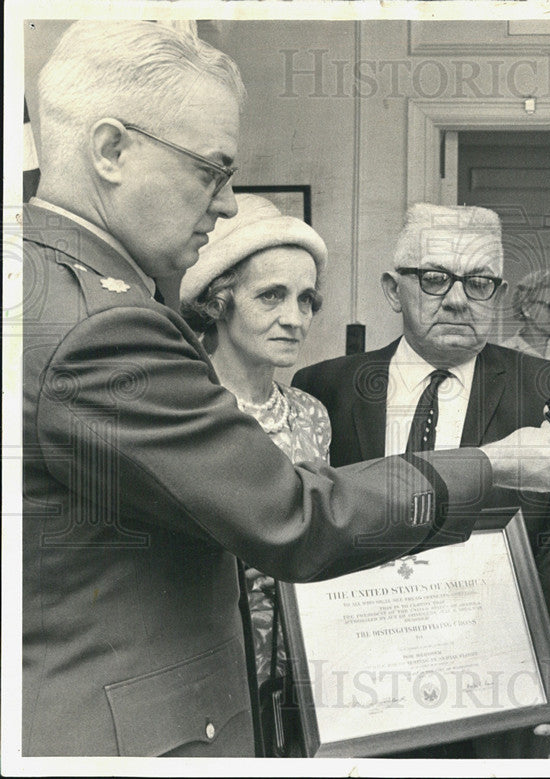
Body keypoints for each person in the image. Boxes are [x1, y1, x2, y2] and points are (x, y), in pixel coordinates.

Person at [21, 21, 550, 757]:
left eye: (480, 283)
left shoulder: (38, 284)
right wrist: (497, 464)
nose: (227, 204)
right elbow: (294, 516)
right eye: (211, 171)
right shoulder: (100, 324)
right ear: (110, 149)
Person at [293, 203, 550, 758]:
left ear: (499, 295)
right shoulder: (324, 389)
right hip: (363, 684)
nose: (458, 299)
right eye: (435, 278)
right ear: (394, 290)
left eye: (480, 282)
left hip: (499, 680)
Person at [178, 192, 332, 755]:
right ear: (220, 301)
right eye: (271, 296)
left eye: (307, 299)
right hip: (208, 671)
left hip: (300, 677)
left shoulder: (311, 415)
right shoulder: (185, 412)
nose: (295, 318)